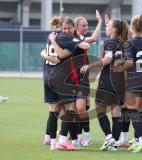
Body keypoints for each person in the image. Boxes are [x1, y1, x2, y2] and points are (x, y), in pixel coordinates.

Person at [41, 16, 90, 150]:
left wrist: (49, 51)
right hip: (60, 78)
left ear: (73, 27)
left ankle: (51, 142)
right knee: (70, 109)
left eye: (69, 28)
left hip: (47, 77)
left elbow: (43, 51)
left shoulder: (51, 36)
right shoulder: (66, 38)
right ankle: (62, 140)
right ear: (62, 28)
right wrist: (78, 41)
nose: (67, 30)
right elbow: (84, 46)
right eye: (65, 28)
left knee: (53, 111)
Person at [80, 17, 129, 151]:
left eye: (108, 27)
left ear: (114, 30)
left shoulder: (109, 42)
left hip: (108, 79)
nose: (106, 28)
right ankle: (112, 145)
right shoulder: (124, 43)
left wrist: (90, 65)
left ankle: (109, 137)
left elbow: (107, 59)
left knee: (100, 109)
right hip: (120, 81)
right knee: (116, 112)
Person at [114, 13, 142, 153]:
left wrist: (119, 68)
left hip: (135, 79)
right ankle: (138, 140)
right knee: (140, 110)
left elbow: (130, 63)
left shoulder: (130, 43)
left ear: (132, 28)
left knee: (132, 110)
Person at [73, 10, 102, 147]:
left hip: (82, 78)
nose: (86, 27)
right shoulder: (71, 39)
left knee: (81, 109)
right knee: (74, 109)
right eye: (83, 25)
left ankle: (87, 135)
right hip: (69, 78)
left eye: (87, 25)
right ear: (76, 27)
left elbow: (94, 39)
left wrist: (100, 22)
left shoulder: (81, 40)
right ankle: (75, 136)